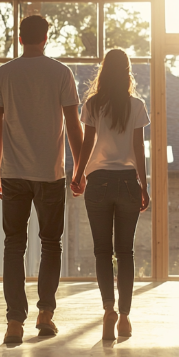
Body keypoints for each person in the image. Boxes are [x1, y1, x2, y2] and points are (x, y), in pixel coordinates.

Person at [0, 15, 83, 345]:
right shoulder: (61, 73)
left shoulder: (3, 75)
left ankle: (15, 322)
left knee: (14, 245)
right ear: (46, 37)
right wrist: (79, 168)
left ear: (19, 37)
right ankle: (45, 314)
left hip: (13, 173)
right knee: (50, 243)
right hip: (50, 173)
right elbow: (74, 126)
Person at [70, 49, 150, 341]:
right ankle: (126, 318)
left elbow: (87, 143)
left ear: (103, 71)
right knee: (125, 252)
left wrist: (78, 177)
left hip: (99, 181)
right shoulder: (137, 106)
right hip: (128, 181)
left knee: (102, 251)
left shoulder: (92, 105)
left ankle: (108, 310)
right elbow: (139, 149)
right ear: (127, 71)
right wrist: (143, 185)